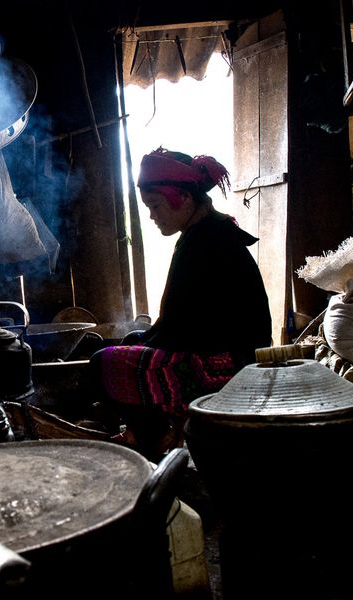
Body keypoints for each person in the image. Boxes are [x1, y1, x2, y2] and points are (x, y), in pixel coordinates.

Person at [88, 147, 272, 459]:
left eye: (156, 205)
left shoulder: (203, 241)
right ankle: (158, 430)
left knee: (102, 364)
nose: (152, 215)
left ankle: (155, 438)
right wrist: (141, 342)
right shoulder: (211, 230)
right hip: (232, 351)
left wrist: (141, 345)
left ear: (183, 198)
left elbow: (178, 329)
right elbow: (184, 319)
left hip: (233, 365)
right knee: (135, 342)